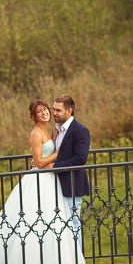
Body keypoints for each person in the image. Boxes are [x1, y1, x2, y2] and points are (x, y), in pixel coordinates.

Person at [0, 99, 88, 264]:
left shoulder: (53, 130)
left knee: (53, 223)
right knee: (32, 222)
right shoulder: (35, 134)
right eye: (40, 112)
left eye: (47, 110)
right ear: (34, 116)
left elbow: (49, 157)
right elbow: (40, 162)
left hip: (52, 180)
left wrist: (50, 159)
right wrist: (58, 155)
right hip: (40, 180)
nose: (45, 113)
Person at [47, 94, 91, 240]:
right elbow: (56, 153)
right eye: (54, 109)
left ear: (69, 111)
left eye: (58, 110)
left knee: (73, 224)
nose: (54, 113)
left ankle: (77, 262)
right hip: (55, 185)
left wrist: (54, 166)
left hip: (72, 185)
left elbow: (80, 159)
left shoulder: (80, 130)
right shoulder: (56, 130)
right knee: (59, 226)